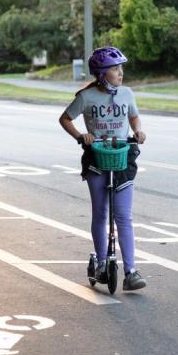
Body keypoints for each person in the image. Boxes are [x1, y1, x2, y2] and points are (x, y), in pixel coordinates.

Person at [58, 46, 148, 291]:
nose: (121, 73)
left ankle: (131, 271)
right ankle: (100, 262)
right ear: (101, 74)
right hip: (97, 157)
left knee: (123, 216)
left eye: (120, 68)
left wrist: (137, 131)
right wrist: (81, 135)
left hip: (122, 157)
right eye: (115, 69)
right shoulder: (86, 97)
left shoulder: (127, 93)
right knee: (101, 213)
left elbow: (134, 116)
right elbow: (65, 118)